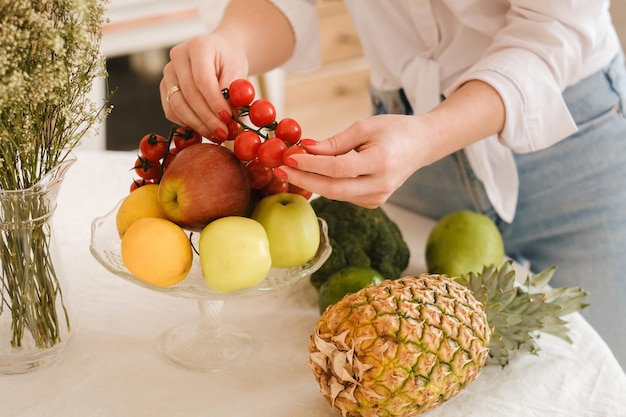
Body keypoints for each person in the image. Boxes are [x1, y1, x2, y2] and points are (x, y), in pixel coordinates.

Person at [160, 0, 626, 370]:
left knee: (600, 370)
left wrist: (429, 135)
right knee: (426, 366)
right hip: (415, 150)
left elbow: (555, 27)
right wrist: (230, 40)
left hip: (574, 148)